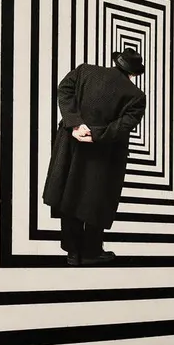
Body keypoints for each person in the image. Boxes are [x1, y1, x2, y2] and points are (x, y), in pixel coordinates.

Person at [42, 50, 148, 265]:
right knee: (96, 200)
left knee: (69, 193)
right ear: (134, 73)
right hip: (105, 152)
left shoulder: (85, 70)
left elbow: (64, 90)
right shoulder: (136, 95)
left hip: (70, 143)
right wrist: (96, 135)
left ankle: (73, 252)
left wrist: (75, 124)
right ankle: (91, 251)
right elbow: (124, 125)